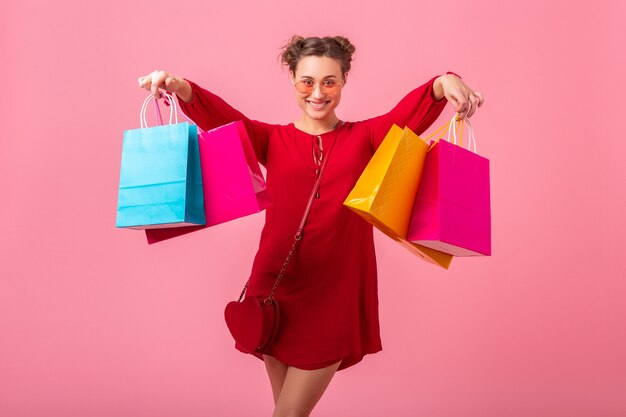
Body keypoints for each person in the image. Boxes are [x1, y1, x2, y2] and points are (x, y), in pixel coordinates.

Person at [138, 35, 484, 417]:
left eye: (329, 82)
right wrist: (180, 87)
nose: (317, 93)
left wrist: (443, 82)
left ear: (344, 81)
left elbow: (409, 114)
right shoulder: (270, 139)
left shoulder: (366, 138)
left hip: (333, 297)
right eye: (307, 81)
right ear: (293, 80)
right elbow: (223, 119)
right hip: (275, 294)